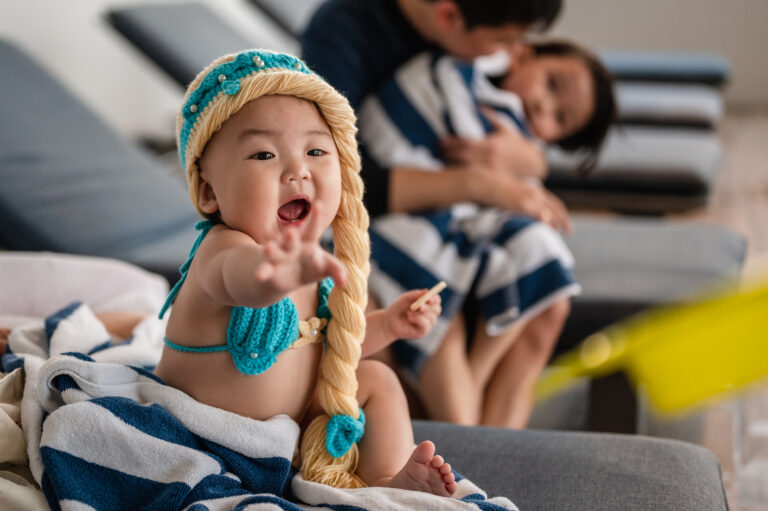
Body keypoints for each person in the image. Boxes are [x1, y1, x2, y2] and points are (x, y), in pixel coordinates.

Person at [152, 48, 458, 495]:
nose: (298, 171)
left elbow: (331, 349)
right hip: (211, 440)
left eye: (316, 150)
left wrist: (388, 325)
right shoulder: (225, 248)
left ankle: (390, 480)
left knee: (376, 379)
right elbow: (241, 279)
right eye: (263, 155)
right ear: (208, 192)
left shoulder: (315, 264)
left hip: (290, 433)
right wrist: (278, 274)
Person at [302, 0, 580, 428]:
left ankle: (499, 449)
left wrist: (529, 161)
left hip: (458, 217)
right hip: (371, 221)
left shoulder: (477, 35)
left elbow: (518, 121)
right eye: (503, 40)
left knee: (548, 301)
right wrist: (479, 182)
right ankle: (465, 457)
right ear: (448, 17)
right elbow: (336, 178)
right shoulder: (343, 35)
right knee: (426, 311)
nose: (514, 51)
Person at [358, 37, 616, 428]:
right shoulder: (457, 77)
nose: (545, 106)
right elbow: (426, 137)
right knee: (442, 294)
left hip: (453, 224)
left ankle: (483, 422)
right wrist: (519, 171)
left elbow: (511, 187)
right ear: (523, 54)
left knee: (542, 250)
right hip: (404, 216)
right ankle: (474, 439)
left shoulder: (517, 132)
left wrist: (528, 165)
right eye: (551, 83)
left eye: (560, 120)